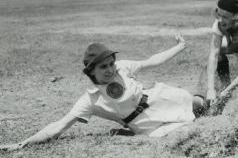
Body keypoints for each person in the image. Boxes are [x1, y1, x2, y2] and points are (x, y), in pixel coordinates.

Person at [0, 33, 208, 151]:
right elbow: (59, 126)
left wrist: (180, 46)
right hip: (144, 124)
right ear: (91, 70)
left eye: (110, 64)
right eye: (103, 67)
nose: (110, 70)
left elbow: (151, 61)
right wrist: (22, 143)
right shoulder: (90, 100)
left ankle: (217, 104)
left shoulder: (122, 67)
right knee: (189, 132)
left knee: (200, 104)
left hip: (160, 98)